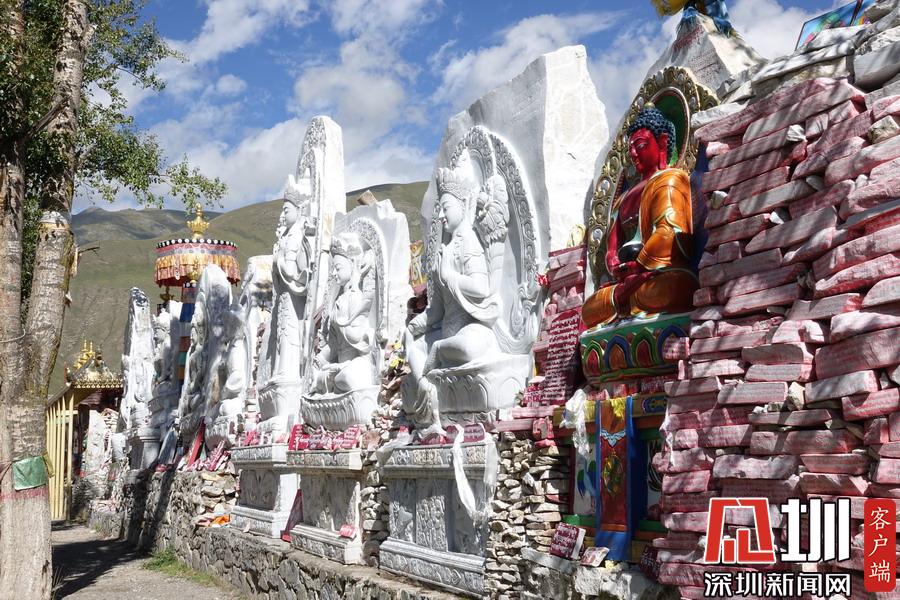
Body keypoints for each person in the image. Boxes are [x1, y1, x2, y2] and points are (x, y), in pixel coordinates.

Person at [582, 105, 698, 330]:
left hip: (659, 274)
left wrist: (639, 265)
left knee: (675, 287)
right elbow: (612, 247)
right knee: (590, 308)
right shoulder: (622, 199)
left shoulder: (670, 179)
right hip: (628, 280)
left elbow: (668, 233)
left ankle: (625, 302)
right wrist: (616, 265)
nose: (634, 154)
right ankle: (625, 300)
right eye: (631, 149)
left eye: (641, 146)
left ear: (662, 142)